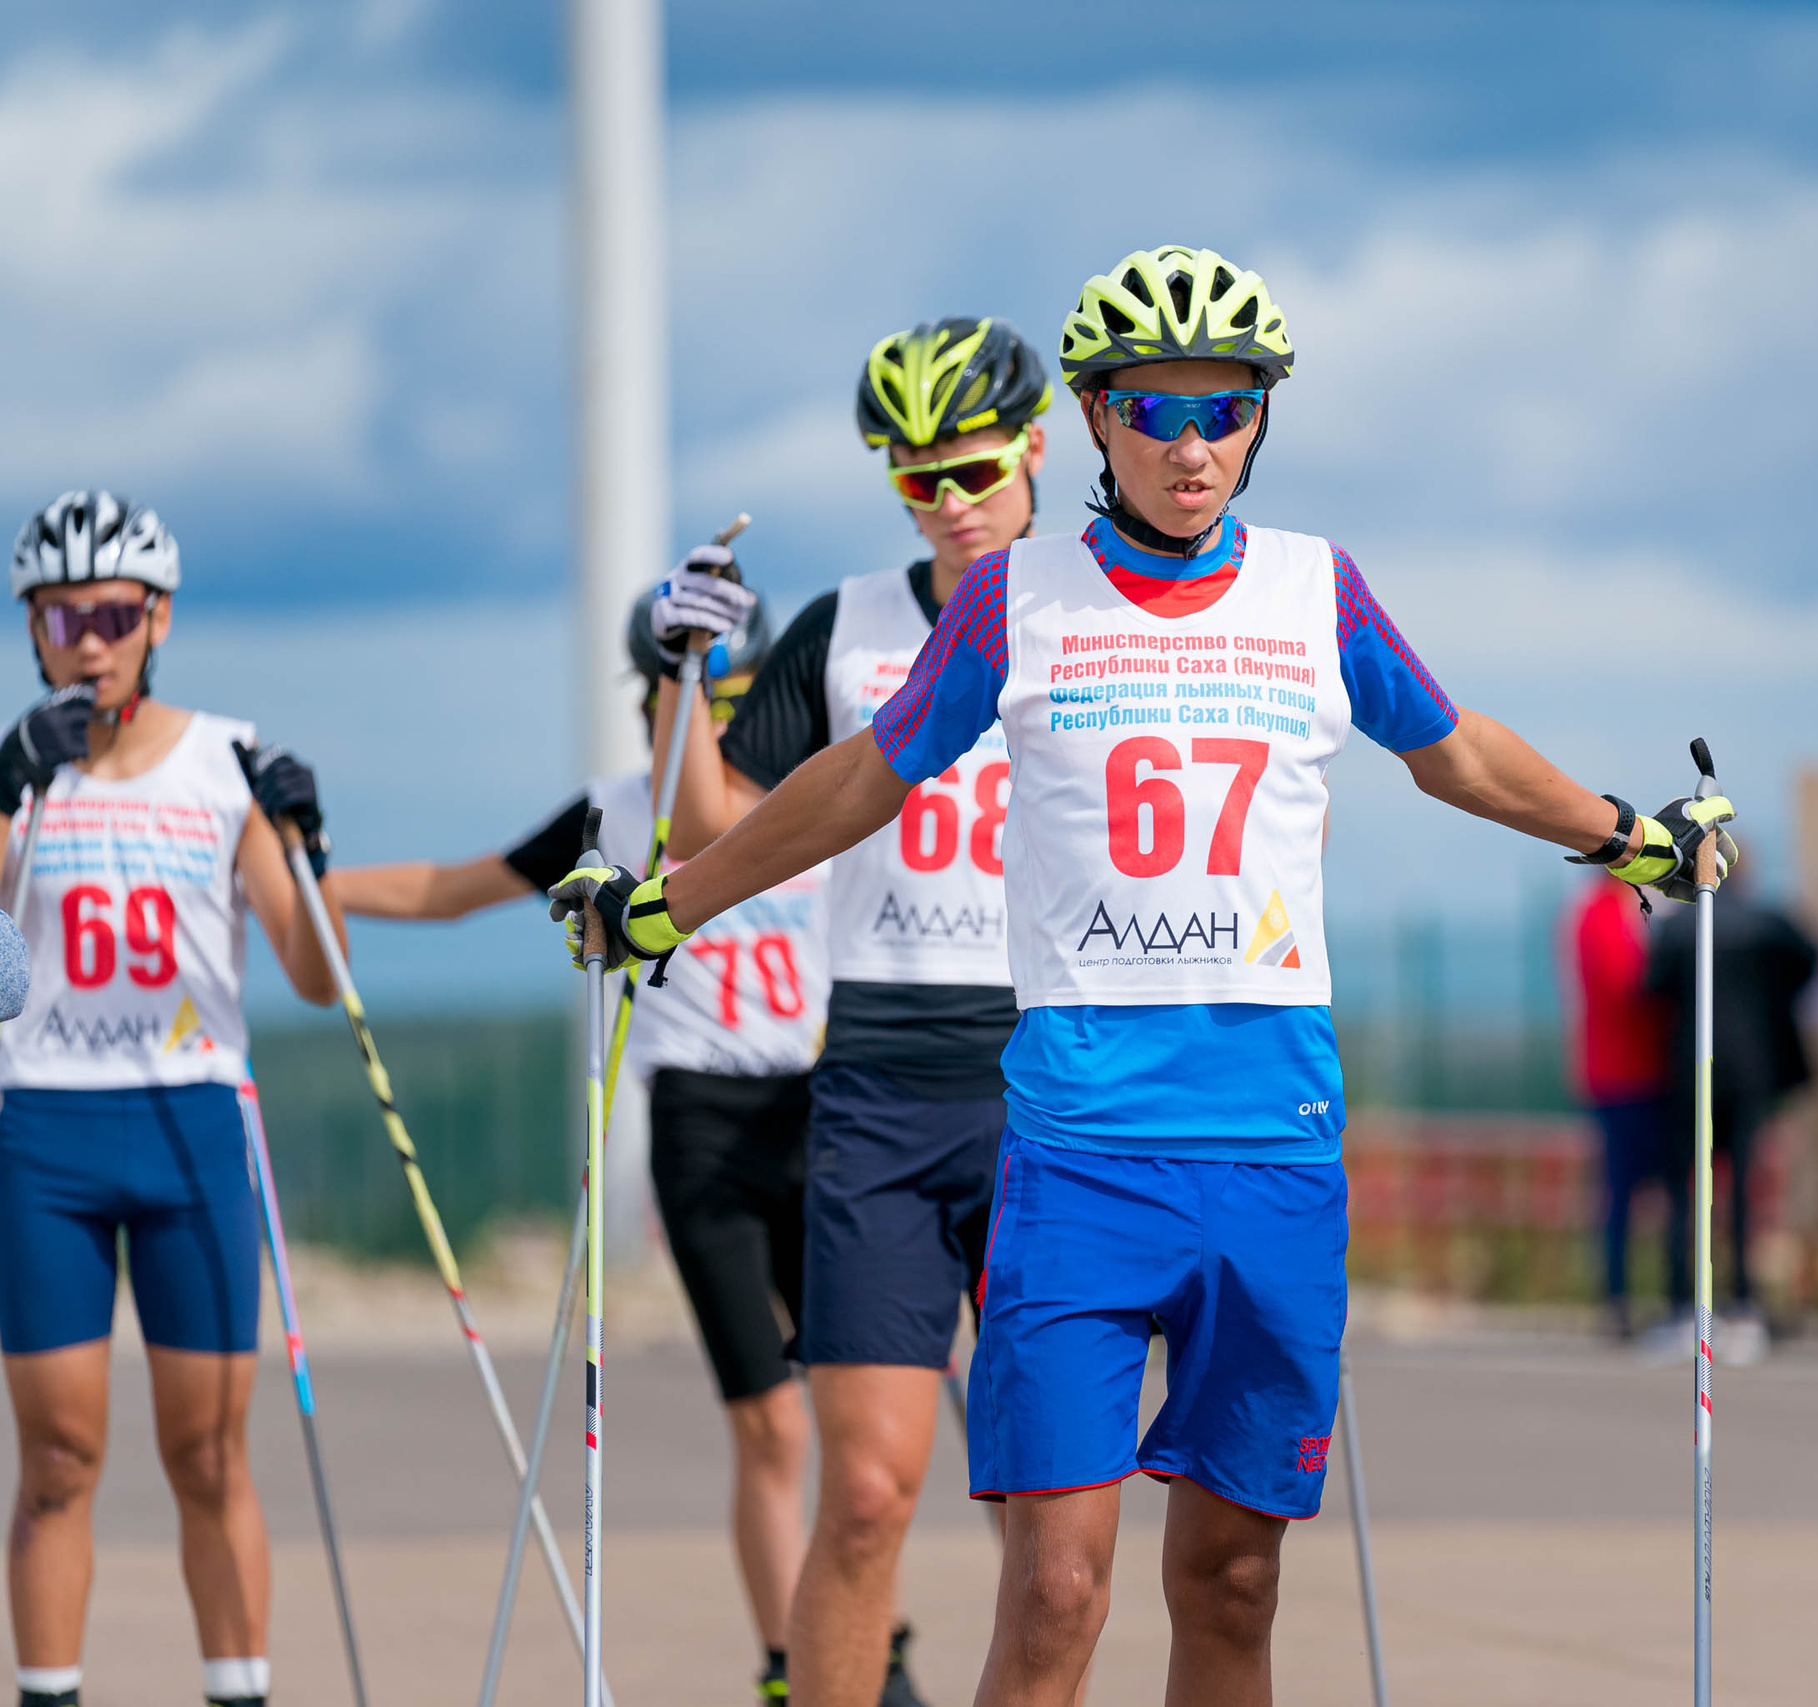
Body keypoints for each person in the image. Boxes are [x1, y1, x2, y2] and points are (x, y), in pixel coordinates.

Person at [556, 245, 1733, 1707]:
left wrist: (1631, 837)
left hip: (1270, 1147)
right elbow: (863, 779)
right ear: (1097, 419)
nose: (1192, 446)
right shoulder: (1017, 599)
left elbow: (1455, 752)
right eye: (1156, 411)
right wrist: (665, 907)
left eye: (1225, 410)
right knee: (1054, 1590)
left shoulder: (1316, 589)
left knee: (1233, 1585)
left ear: (1260, 417)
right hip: (1079, 1155)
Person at [642, 316, 1049, 1707]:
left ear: (1037, 448)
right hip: (879, 1082)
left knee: (1046, 1510)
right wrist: (679, 673)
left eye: (973, 469)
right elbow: (712, 828)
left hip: (1051, 1085)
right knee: (868, 1495)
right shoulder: (844, 624)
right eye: (916, 477)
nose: (948, 501)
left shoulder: (1093, 614)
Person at [331, 588, 827, 1704]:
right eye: (679, 698)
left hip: (817, 1111)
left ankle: (862, 1640)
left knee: (857, 1413)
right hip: (701, 1123)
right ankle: (788, 1666)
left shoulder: (811, 798)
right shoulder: (612, 809)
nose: (706, 725)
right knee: (770, 1424)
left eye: (732, 701)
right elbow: (453, 890)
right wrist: (311, 886)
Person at [0, 492, 350, 1707]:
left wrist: (309, 843)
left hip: (191, 1121)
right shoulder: (19, 776)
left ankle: (237, 1690)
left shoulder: (224, 763)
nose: (88, 643)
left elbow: (314, 975)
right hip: (46, 1127)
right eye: (61, 619)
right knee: (58, 1457)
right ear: (34, 631)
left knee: (206, 1452)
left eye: (111, 616)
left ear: (156, 621)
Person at [1649, 862, 1818, 1362]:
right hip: (1750, 1072)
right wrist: (1774, 1004)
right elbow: (1811, 961)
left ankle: (1683, 1309)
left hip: (1691, 1073)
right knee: (1745, 1195)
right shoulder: (1768, 922)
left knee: (1686, 1195)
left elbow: (1651, 986)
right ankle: (1744, 1307)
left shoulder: (1678, 927)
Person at [1560, 874, 1676, 1340]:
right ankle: (1619, 1297)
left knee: (1633, 1193)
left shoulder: (1609, 911)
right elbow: (1625, 985)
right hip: (1625, 1074)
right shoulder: (1603, 913)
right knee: (1624, 1192)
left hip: (1633, 1071)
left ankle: (1637, 1295)